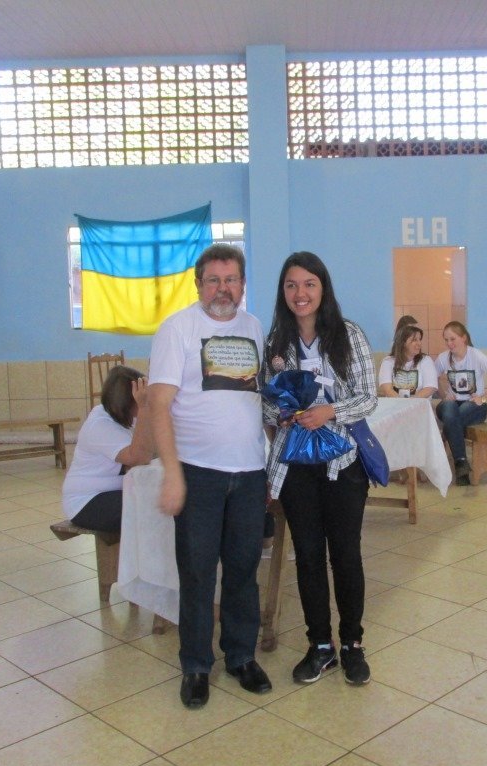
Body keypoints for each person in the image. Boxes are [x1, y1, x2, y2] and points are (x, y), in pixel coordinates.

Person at [147, 244, 271, 709]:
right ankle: (196, 665)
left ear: (243, 284)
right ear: (199, 285)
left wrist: (270, 465)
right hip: (198, 473)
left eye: (231, 279)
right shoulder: (177, 329)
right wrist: (172, 473)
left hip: (249, 472)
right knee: (198, 574)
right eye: (214, 280)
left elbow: (259, 401)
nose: (223, 289)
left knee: (243, 570)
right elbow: (158, 405)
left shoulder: (254, 328)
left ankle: (241, 656)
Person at [263, 251, 376, 686]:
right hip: (297, 465)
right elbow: (266, 400)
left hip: (343, 463)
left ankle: (352, 644)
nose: (301, 293)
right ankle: (321, 646)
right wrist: (285, 413)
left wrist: (330, 411)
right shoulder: (276, 343)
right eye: (291, 285)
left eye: (309, 284)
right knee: (308, 556)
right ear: (283, 292)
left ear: (323, 288)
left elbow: (367, 397)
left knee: (345, 553)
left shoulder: (348, 335)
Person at [61, 365, 152, 532]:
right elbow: (140, 458)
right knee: (156, 507)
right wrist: (144, 407)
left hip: (114, 492)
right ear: (128, 400)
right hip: (87, 501)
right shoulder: (100, 425)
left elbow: (153, 446)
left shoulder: (124, 415)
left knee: (168, 498)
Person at [434, 321, 487, 484]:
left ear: (464, 338)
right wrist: (444, 394)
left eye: (452, 339)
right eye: (446, 340)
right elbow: (432, 379)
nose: (449, 343)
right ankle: (461, 461)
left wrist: (483, 398)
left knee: (452, 420)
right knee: (449, 409)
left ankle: (460, 463)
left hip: (474, 406)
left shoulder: (476, 356)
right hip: (451, 405)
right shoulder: (443, 358)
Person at [378, 324, 438, 399]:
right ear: (403, 343)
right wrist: (403, 403)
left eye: (420, 339)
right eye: (414, 340)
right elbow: (387, 390)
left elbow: (430, 388)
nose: (419, 343)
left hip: (420, 403)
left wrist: (412, 402)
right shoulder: (388, 362)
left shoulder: (426, 360)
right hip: (395, 404)